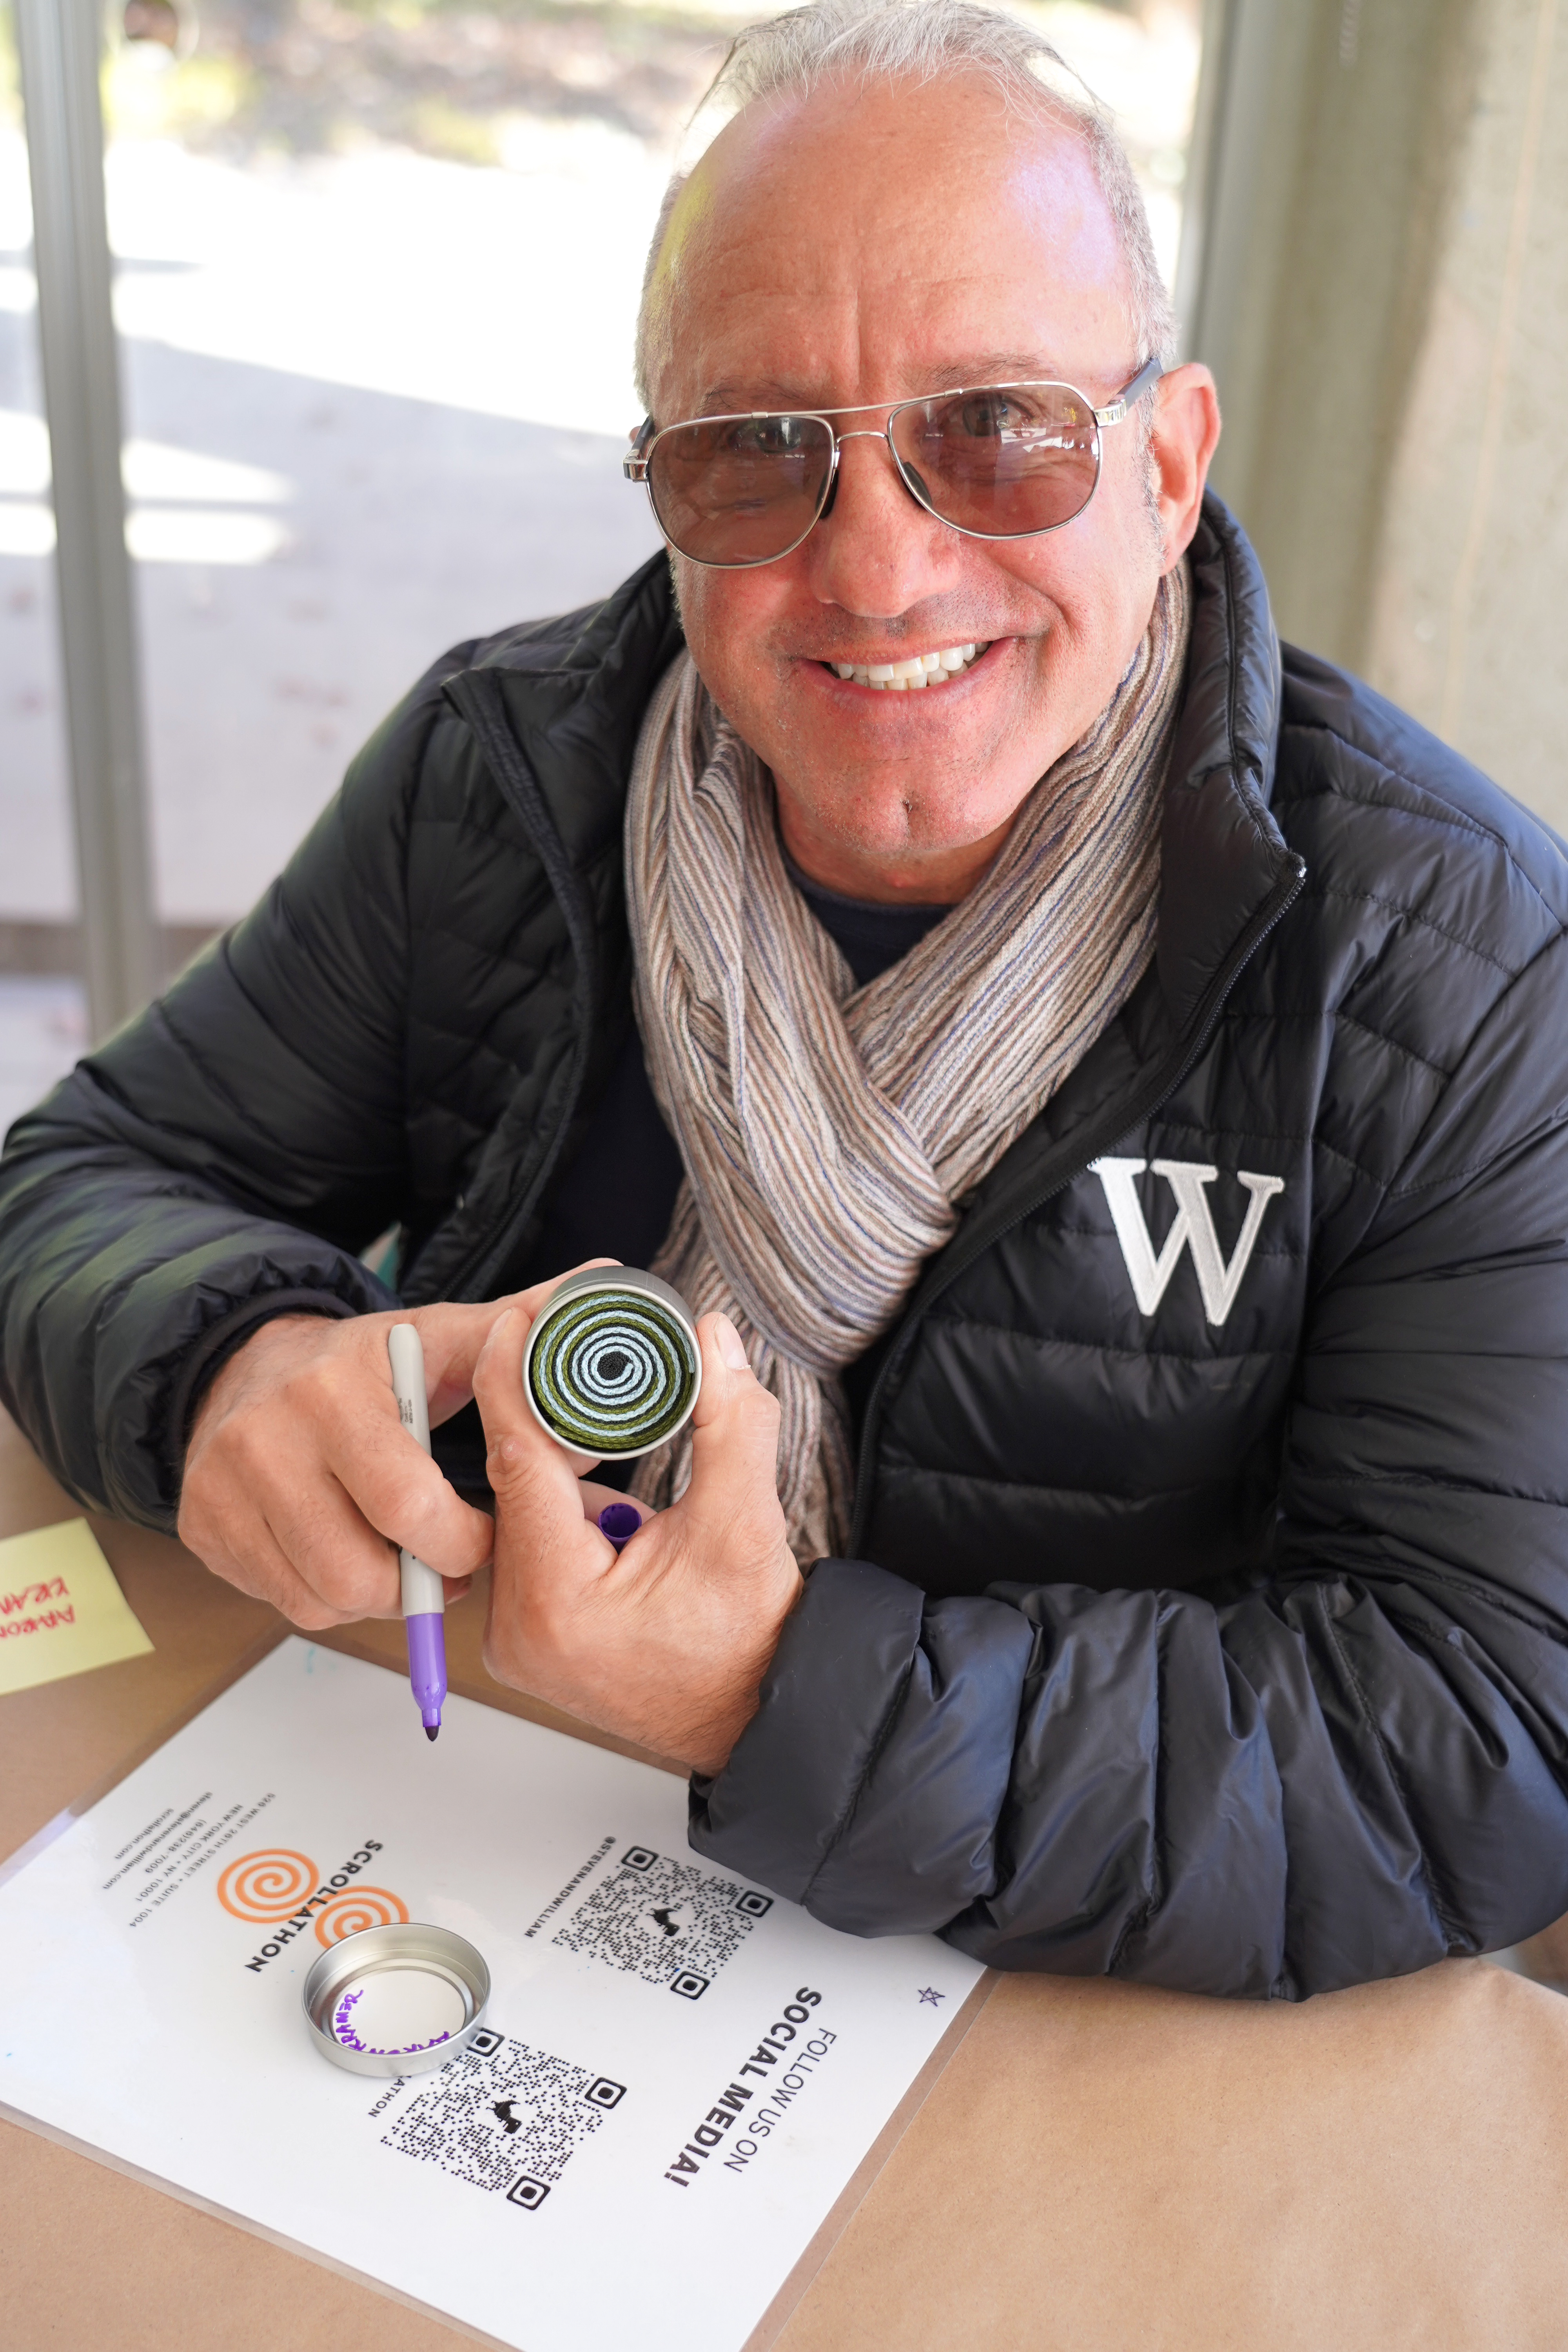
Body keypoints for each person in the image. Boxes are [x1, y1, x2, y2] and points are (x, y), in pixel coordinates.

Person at [4, 0, 1568, 2001]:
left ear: (1169, 466)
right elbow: (95, 1171)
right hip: (472, 1857)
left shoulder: (1455, 964)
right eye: (759, 455)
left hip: (1079, 2021)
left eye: (996, 430)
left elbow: (1473, 1739)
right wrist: (218, 1365)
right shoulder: (505, 777)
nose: (879, 567)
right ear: (661, 485)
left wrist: (778, 1697)